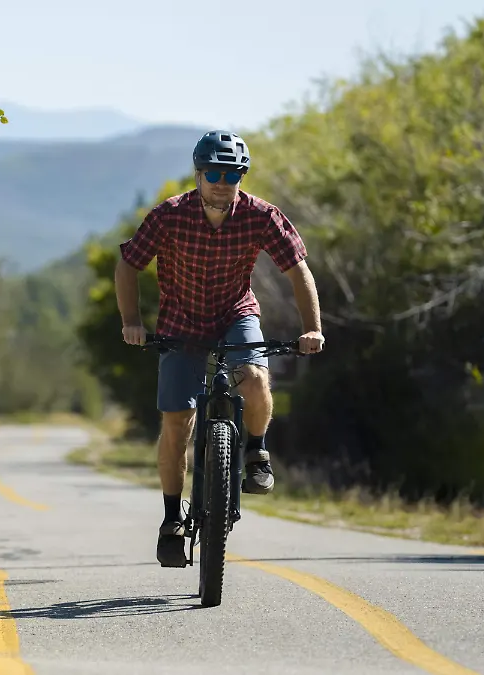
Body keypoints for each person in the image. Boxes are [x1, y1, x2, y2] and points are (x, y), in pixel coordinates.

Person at [113, 129, 325, 568]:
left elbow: (298, 271)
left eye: (233, 173)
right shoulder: (169, 216)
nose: (223, 181)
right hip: (180, 322)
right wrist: (131, 321)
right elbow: (129, 263)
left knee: (256, 376)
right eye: (214, 172)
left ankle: (256, 451)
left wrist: (313, 329)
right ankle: (172, 519)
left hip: (236, 314)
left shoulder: (260, 216)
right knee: (176, 425)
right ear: (198, 173)